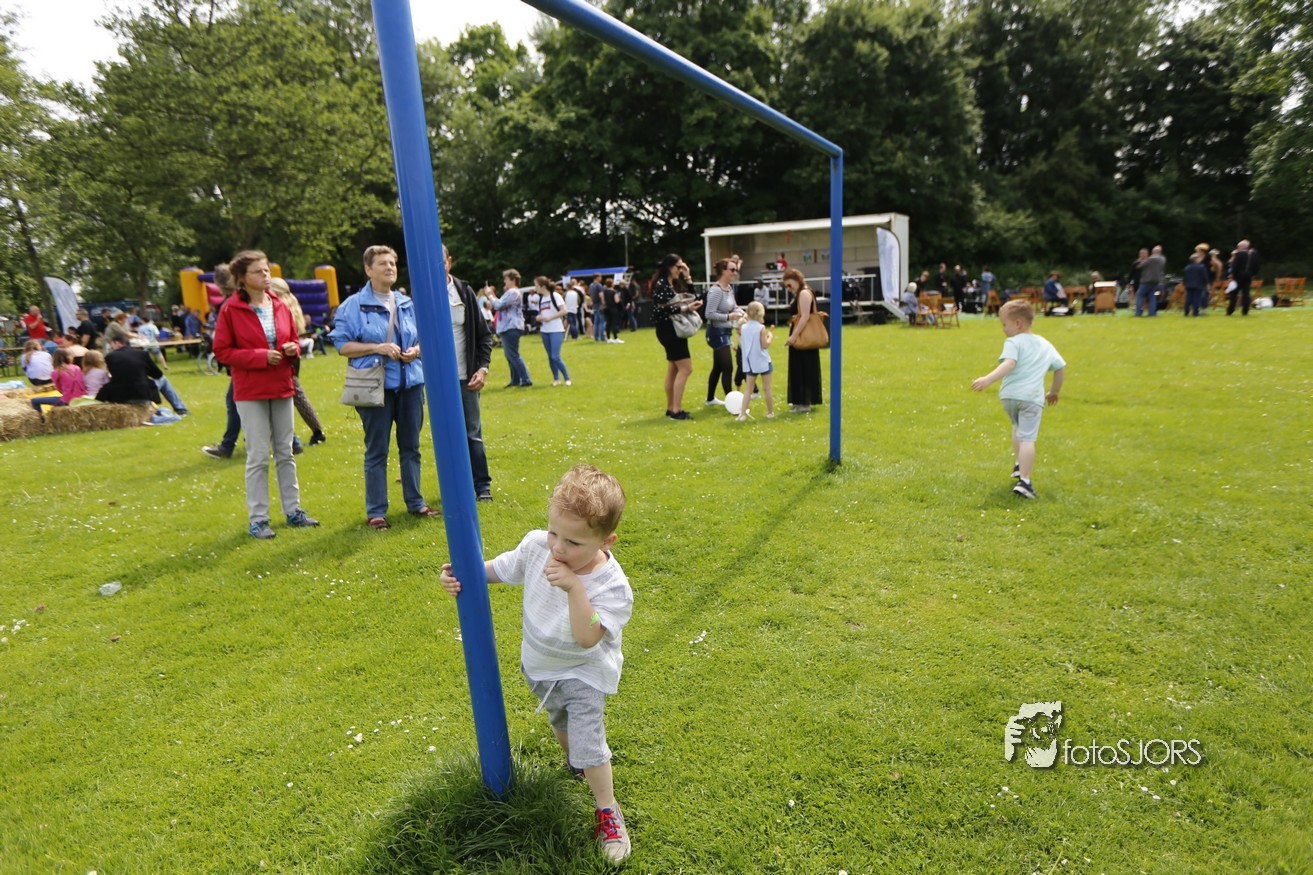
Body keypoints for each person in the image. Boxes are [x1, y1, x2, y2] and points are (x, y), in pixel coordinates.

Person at [438, 464, 634, 863]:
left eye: (574, 542)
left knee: (588, 740)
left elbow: (588, 637)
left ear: (606, 540)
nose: (558, 548)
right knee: (561, 724)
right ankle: (575, 763)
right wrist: (462, 574)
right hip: (540, 668)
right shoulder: (537, 547)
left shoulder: (612, 585)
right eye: (553, 533)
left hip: (584, 672)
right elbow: (500, 570)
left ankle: (607, 810)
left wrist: (575, 588)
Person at [329, 245, 442, 529]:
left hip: (411, 386)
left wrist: (416, 350)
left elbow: (425, 337)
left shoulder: (407, 303)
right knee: (377, 451)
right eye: (382, 263)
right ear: (368, 269)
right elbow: (342, 345)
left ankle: (416, 503)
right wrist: (377, 347)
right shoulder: (353, 306)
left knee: (411, 447)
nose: (389, 267)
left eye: (392, 263)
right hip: (374, 388)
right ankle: (376, 512)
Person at [213, 249, 319, 540]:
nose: (266, 275)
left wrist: (292, 349)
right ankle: (258, 519)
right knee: (258, 455)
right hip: (250, 390)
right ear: (242, 278)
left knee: (285, 452)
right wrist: (260, 356)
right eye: (258, 271)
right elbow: (222, 351)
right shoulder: (230, 310)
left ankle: (293, 511)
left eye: (267, 270)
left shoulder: (280, 305)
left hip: (281, 384)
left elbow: (293, 340)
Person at [971, 299, 1066, 500]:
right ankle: (1025, 481)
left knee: (1017, 428)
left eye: (1004, 324)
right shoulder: (1045, 344)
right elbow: (1060, 368)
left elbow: (1010, 363)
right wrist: (1054, 391)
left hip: (1009, 397)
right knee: (1028, 438)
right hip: (1031, 398)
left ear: (1017, 323)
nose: (1003, 329)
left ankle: (1019, 464)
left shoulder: (1013, 342)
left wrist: (988, 379)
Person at [443, 245, 495, 498]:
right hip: (438, 382)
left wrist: (482, 369)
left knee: (472, 434)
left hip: (466, 378)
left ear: (449, 262)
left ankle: (482, 486)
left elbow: (484, 336)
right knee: (446, 437)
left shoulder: (464, 291)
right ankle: (454, 487)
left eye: (440, 261)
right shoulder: (420, 295)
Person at [269, 277, 327, 446]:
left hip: (283, 356)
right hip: (294, 355)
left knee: (289, 397)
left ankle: (299, 439)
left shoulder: (279, 307)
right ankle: (315, 431)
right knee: (297, 395)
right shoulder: (293, 305)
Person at [650, 253, 702, 420]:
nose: (680, 270)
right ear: (669, 267)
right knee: (686, 369)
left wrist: (688, 277)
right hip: (669, 330)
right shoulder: (661, 284)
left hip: (674, 329)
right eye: (678, 267)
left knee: (673, 369)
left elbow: (693, 298)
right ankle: (676, 410)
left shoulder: (672, 284)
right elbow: (661, 310)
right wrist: (686, 309)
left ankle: (670, 408)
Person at [704, 258, 744, 406]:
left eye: (736, 270)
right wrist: (728, 317)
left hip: (725, 331)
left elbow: (734, 307)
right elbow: (709, 314)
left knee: (718, 367)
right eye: (732, 270)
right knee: (728, 367)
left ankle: (710, 399)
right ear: (723, 271)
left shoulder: (729, 289)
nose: (735, 273)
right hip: (716, 332)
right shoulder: (716, 290)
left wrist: (744, 313)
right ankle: (732, 403)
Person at [782, 268, 823, 412]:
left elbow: (805, 316)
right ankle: (799, 400)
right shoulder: (800, 293)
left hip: (803, 336)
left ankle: (804, 402)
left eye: (789, 284)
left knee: (804, 367)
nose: (789, 288)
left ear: (796, 280)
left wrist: (793, 336)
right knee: (798, 367)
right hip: (801, 335)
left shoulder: (804, 293)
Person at [491, 269, 532, 387]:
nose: (504, 281)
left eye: (506, 279)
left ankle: (526, 379)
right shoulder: (511, 292)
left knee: (513, 355)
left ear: (513, 280)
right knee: (510, 355)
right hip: (507, 327)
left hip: (511, 326)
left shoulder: (513, 292)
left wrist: (490, 296)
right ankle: (515, 380)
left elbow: (499, 305)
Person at [737, 301, 774, 420]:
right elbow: (765, 345)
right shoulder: (761, 328)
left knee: (748, 389)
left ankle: (743, 414)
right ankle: (770, 412)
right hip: (763, 361)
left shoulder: (744, 328)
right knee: (767, 388)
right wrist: (770, 337)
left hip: (750, 362)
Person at [30, 348, 87, 420]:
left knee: (34, 400)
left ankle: (42, 421)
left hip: (68, 400)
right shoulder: (77, 368)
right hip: (82, 397)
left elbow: (60, 389)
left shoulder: (56, 372)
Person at [535, 276, 572, 385]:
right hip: (545, 330)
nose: (535, 288)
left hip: (556, 329)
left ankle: (567, 378)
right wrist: (539, 317)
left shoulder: (555, 295)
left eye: (536, 286)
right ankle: (556, 379)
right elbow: (542, 312)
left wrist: (550, 318)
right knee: (550, 357)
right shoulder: (541, 299)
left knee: (555, 356)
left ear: (542, 286)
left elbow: (564, 311)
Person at [1227, 239, 1260, 316]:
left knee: (1234, 293)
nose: (1238, 248)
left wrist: (1232, 275)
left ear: (1242, 246)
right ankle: (1245, 310)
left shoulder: (1239, 254)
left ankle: (1230, 310)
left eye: (1239, 246)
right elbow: (1257, 266)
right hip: (1249, 275)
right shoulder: (1254, 253)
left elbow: (1234, 266)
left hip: (1238, 275)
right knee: (1246, 293)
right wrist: (1253, 274)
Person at [1136, 245, 1166, 317]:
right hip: (1156, 280)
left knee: (1139, 295)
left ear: (1153, 252)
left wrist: (1141, 260)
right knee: (1152, 296)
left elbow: (1139, 266)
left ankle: (1138, 313)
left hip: (1147, 280)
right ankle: (1152, 313)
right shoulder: (1163, 259)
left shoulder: (1151, 259)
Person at [1182, 252, 1211, 317]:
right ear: (1196, 259)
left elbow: (1185, 277)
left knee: (1188, 299)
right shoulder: (1201, 267)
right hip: (1198, 285)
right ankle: (1195, 312)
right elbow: (1205, 277)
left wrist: (1185, 284)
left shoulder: (1187, 267)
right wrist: (1207, 284)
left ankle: (1186, 312)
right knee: (1196, 299)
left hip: (1188, 285)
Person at [603, 277, 624, 343]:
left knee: (608, 323)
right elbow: (616, 301)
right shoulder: (614, 292)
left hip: (607, 308)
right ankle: (615, 338)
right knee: (614, 323)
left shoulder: (605, 292)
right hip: (613, 308)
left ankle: (608, 338)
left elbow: (604, 301)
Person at [589, 275, 607, 342]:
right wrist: (604, 304)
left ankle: (596, 338)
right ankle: (602, 337)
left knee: (596, 323)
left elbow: (590, 296)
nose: (601, 278)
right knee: (602, 322)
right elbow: (601, 295)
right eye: (600, 277)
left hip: (594, 306)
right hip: (600, 305)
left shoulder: (591, 285)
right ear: (597, 278)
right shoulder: (599, 285)